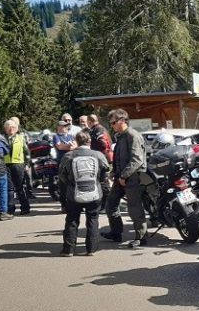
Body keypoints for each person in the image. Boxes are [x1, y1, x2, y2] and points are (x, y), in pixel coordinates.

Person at [100, 108, 148, 248]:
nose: (112, 126)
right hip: (121, 177)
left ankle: (141, 237)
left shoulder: (133, 136)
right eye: (111, 123)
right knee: (111, 204)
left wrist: (124, 175)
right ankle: (116, 232)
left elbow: (136, 160)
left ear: (122, 121)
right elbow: (120, 157)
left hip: (132, 177)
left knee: (134, 208)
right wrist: (114, 172)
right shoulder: (121, 136)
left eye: (114, 122)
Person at [57, 131, 109, 256]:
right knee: (93, 220)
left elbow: (61, 175)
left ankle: (68, 250)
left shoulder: (68, 156)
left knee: (72, 220)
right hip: (94, 192)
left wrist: (70, 183)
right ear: (89, 141)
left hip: (74, 193)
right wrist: (98, 181)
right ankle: (91, 249)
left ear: (77, 141)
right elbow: (105, 172)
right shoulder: (98, 155)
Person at [3, 117, 31, 215]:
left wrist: (27, 164)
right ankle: (10, 208)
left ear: (16, 128)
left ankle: (25, 207)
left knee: (20, 187)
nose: (11, 130)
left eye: (13, 128)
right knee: (9, 188)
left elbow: (27, 152)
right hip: (7, 165)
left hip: (18, 165)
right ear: (5, 129)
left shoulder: (21, 138)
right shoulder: (3, 139)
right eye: (8, 128)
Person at [87, 113, 113, 212]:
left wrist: (93, 148)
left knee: (103, 182)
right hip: (102, 158)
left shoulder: (98, 129)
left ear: (90, 122)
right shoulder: (97, 129)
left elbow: (102, 144)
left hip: (103, 159)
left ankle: (106, 204)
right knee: (101, 181)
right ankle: (103, 203)